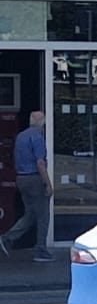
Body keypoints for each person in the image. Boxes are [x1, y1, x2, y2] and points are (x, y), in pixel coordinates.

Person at [1, 111, 52, 262]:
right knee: (43, 216)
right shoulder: (37, 137)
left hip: (21, 178)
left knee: (30, 214)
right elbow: (40, 163)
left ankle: (7, 238)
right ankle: (41, 250)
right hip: (34, 179)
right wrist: (47, 184)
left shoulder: (21, 136)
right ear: (42, 122)